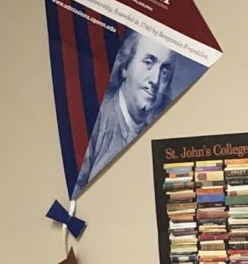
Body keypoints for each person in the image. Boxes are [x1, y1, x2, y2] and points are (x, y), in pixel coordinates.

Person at [74, 31, 177, 190]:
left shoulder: (155, 140)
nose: (155, 80)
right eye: (148, 62)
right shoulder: (93, 116)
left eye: (164, 72)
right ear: (125, 66)